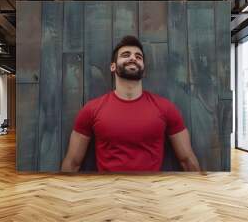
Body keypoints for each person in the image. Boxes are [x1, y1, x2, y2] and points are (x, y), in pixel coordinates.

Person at [61, 35, 201, 172]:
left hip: (151, 193)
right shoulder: (91, 109)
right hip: (108, 193)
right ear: (113, 66)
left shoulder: (165, 108)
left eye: (138, 57)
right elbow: (72, 163)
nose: (133, 58)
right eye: (126, 55)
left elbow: (187, 160)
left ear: (144, 69)